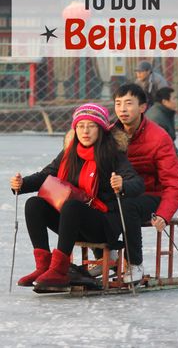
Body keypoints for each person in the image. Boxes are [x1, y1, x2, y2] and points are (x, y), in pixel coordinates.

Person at [10, 103, 144, 292]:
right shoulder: (69, 153)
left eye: (91, 126)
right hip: (71, 221)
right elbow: (45, 176)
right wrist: (22, 184)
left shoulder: (112, 155)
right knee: (34, 204)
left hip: (102, 224)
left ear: (101, 129)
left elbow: (137, 183)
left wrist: (122, 184)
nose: (85, 131)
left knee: (72, 206)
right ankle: (44, 267)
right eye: (80, 126)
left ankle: (59, 270)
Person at [108, 83, 178, 283]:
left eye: (128, 104)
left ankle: (134, 264)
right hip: (117, 192)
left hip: (150, 197)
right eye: (118, 104)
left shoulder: (158, 137)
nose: (122, 109)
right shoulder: (109, 134)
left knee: (127, 205)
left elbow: (174, 183)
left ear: (143, 107)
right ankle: (107, 258)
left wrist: (164, 214)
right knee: (90, 202)